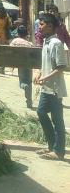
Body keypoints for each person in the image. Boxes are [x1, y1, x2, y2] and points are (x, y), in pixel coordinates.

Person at [34, 12, 66, 161]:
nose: (39, 27)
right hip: (46, 87)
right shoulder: (46, 42)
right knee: (41, 112)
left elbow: (60, 67)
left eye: (42, 24)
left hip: (54, 89)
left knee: (57, 120)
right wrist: (39, 74)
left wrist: (44, 78)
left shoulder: (56, 43)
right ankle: (51, 145)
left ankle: (58, 151)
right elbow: (45, 64)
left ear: (50, 26)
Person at [10, 24, 34, 108]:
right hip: (29, 64)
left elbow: (10, 52)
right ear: (26, 33)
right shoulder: (29, 44)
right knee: (29, 81)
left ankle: (24, 86)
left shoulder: (14, 41)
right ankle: (29, 101)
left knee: (22, 81)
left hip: (19, 64)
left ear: (18, 33)